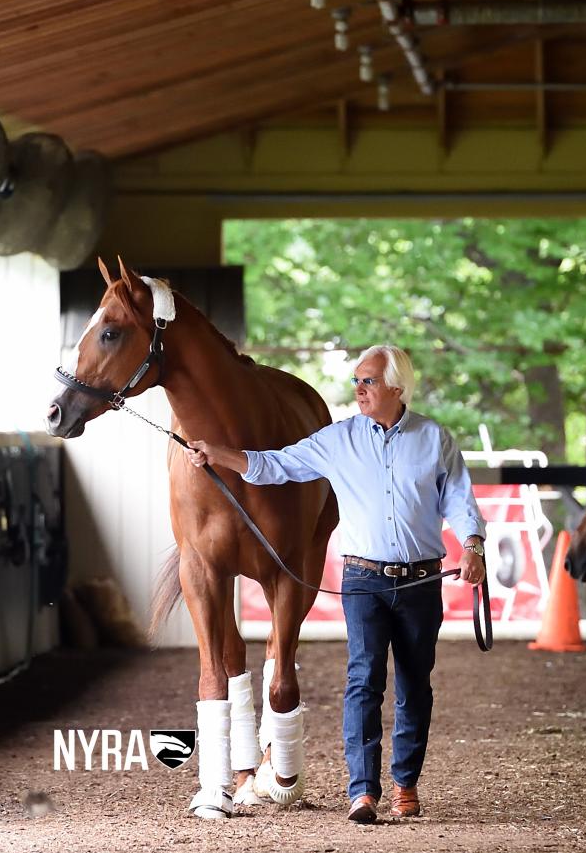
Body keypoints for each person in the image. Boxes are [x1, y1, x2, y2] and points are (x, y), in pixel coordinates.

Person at [187, 344, 486, 824]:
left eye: (368, 381)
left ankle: (405, 783)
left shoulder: (434, 438)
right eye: (356, 381)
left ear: (395, 387)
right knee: (363, 682)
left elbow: (458, 497)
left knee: (415, 686)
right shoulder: (339, 439)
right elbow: (274, 464)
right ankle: (363, 792)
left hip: (421, 582)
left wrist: (472, 544)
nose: (359, 390)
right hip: (364, 578)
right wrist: (217, 453)